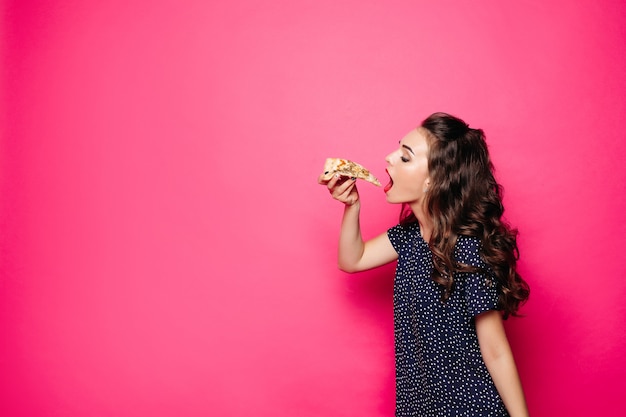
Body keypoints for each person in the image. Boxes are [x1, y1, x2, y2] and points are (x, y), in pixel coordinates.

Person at [318, 112, 530, 417]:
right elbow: (353, 259)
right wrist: (352, 205)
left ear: (434, 179)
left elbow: (495, 350)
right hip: (418, 406)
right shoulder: (409, 236)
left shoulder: (467, 248)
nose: (389, 158)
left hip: (469, 407)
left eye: (405, 158)